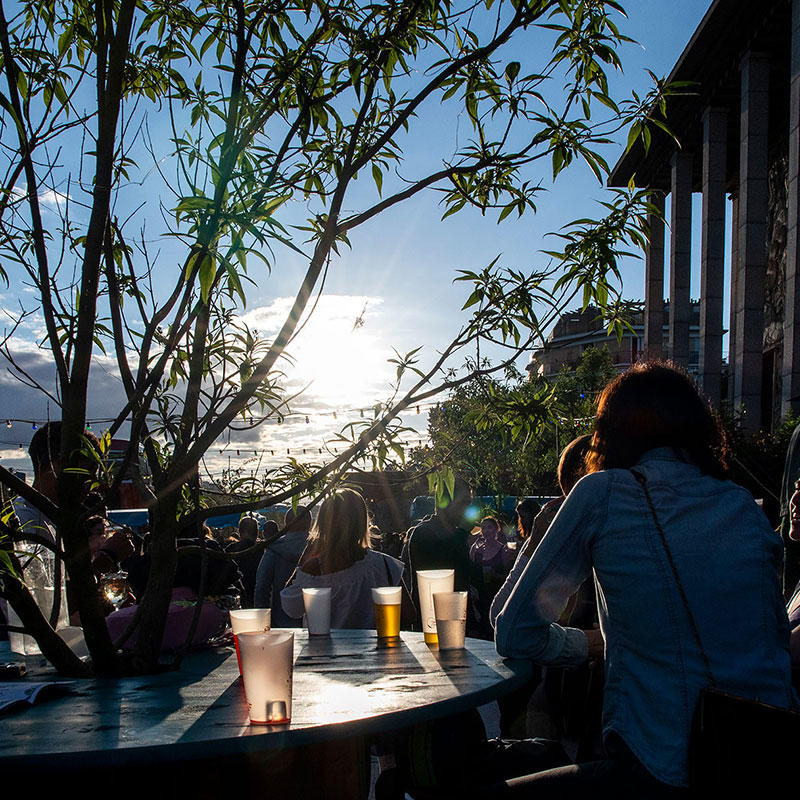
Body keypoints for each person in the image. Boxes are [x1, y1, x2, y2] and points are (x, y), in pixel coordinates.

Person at [489, 361, 795, 796]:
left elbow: (514, 631)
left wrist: (590, 644)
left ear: (611, 432)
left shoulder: (603, 492)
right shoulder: (744, 505)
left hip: (664, 765)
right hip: (768, 756)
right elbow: (776, 640)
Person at [280, 489, 405, 629]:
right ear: (362, 522)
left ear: (323, 524)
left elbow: (291, 608)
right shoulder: (385, 565)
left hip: (323, 649)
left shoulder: (314, 570)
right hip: (373, 648)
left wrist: (303, 561)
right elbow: (409, 614)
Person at [401, 475, 474, 627]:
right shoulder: (424, 533)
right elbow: (447, 570)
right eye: (463, 503)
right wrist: (462, 533)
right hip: (432, 625)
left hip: (457, 623)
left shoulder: (452, 533)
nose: (467, 509)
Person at [254, 506, 312, 626]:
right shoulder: (319, 548)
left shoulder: (275, 548)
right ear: (309, 523)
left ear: (287, 523)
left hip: (281, 622)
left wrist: (263, 622)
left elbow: (262, 587)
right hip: (314, 622)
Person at [470, 516, 514, 640]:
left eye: (489, 527)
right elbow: (471, 572)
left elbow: (508, 576)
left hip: (495, 595)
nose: (486, 530)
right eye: (483, 528)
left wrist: (495, 576)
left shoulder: (503, 550)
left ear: (496, 530)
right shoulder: (476, 549)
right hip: (480, 596)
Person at [225, 514, 263, 608]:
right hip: (257, 596)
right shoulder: (262, 550)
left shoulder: (231, 549)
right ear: (257, 533)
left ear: (240, 532)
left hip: (236, 596)